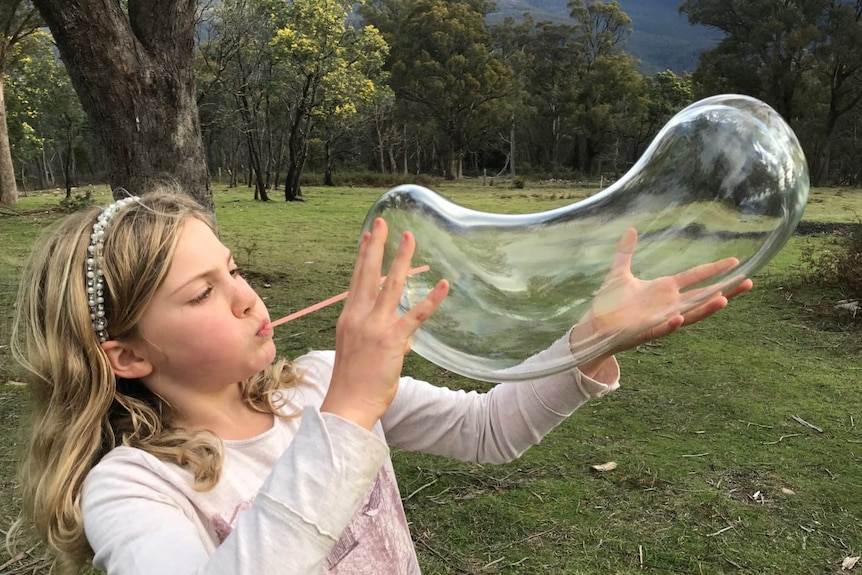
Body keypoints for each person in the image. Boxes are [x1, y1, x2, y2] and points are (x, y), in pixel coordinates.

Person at [9, 189, 751, 575]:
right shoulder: (131, 487)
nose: (243, 294)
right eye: (201, 293)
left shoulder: (316, 389)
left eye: (232, 268)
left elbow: (488, 430)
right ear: (127, 355)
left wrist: (591, 337)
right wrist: (353, 408)